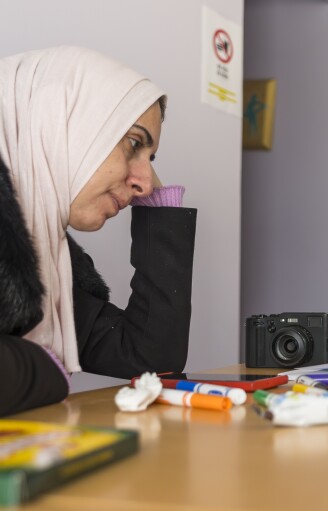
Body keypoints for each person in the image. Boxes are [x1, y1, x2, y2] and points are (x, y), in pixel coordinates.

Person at [0, 46, 197, 417]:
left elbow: (150, 357)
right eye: (134, 144)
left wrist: (157, 206)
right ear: (58, 122)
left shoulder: (46, 255)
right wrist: (50, 366)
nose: (145, 182)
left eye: (150, 160)